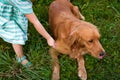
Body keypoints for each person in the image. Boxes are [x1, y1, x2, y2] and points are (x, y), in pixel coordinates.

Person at [0, 0, 55, 68]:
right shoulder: (22, 3)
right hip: (3, 15)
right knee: (16, 33)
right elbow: (35, 22)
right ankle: (20, 58)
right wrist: (48, 38)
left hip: (8, 8)